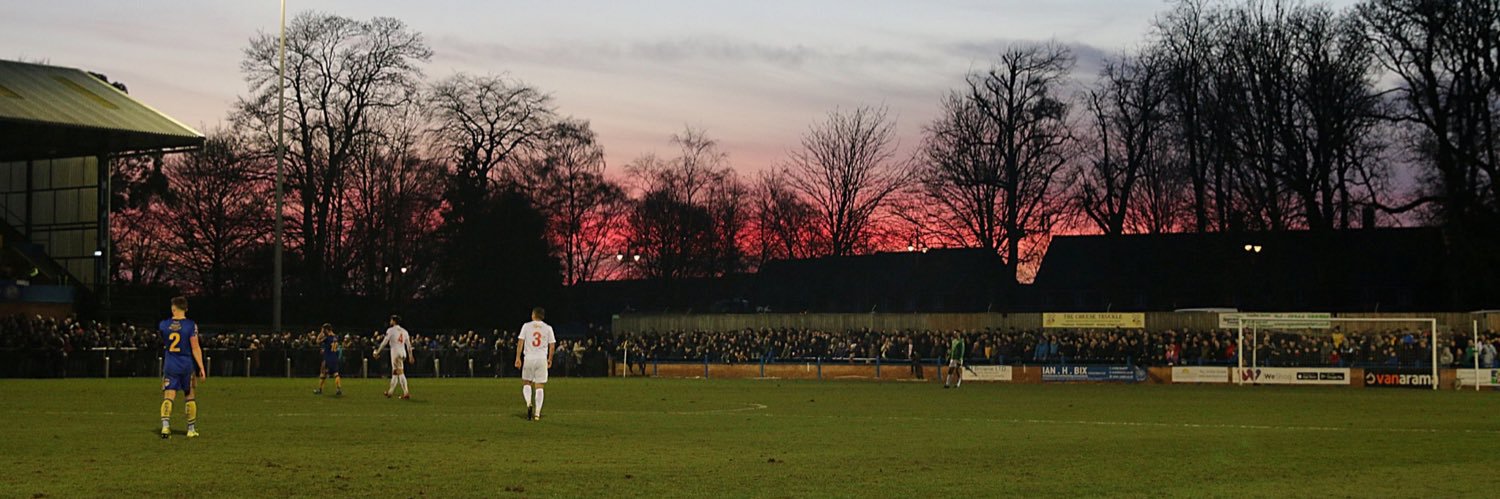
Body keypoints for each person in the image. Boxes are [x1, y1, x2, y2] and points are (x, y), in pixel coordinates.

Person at [158, 296, 205, 439]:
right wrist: (201, 367)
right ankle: (191, 429)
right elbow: (195, 347)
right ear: (186, 308)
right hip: (186, 365)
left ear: (173, 308)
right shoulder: (191, 325)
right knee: (189, 396)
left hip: (170, 365)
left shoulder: (164, 324)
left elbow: (165, 341)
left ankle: (165, 428)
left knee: (168, 396)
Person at [515, 307, 556, 421]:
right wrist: (550, 359)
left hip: (529, 358)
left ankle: (529, 403)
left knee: (526, 383)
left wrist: (518, 358)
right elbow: (552, 345)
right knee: (540, 386)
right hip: (541, 358)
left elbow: (520, 342)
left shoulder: (526, 326)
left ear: (533, 315)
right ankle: (537, 413)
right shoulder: (548, 328)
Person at [373, 315, 412, 399]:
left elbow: (385, 342)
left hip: (395, 352)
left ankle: (406, 392)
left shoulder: (391, 330)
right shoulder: (404, 331)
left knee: (400, 372)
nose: (390, 321)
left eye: (391, 320)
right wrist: (410, 356)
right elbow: (409, 345)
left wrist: (377, 352)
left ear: (394, 321)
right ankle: (390, 392)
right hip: (403, 352)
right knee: (395, 372)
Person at [315, 323, 343, 396]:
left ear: (326, 330)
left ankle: (320, 389)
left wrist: (320, 333)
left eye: (324, 330)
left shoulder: (327, 338)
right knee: (336, 374)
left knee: (323, 373)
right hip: (334, 357)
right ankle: (338, 389)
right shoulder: (336, 337)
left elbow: (317, 341)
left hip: (327, 358)